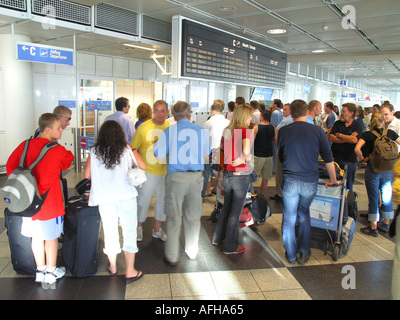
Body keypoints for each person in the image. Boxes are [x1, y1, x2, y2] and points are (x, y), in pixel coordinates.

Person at [6, 113, 74, 284]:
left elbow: (10, 166)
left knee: (36, 237)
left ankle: (40, 270)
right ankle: (51, 272)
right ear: (47, 129)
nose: (61, 130)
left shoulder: (25, 144)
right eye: (58, 127)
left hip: (28, 202)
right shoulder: (57, 149)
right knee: (51, 237)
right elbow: (68, 161)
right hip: (49, 202)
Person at [84, 120, 146, 283]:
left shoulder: (94, 151)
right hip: (126, 195)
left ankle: (113, 267)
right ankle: (131, 270)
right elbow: (143, 166)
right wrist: (132, 148)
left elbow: (86, 175)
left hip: (105, 198)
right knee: (129, 232)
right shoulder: (126, 149)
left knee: (110, 231)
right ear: (120, 134)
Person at [278, 100, 338, 264]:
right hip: (310, 181)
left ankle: (290, 255)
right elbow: (328, 157)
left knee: (289, 219)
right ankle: (304, 251)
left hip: (290, 179)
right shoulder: (317, 131)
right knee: (303, 214)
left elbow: (281, 156)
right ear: (307, 112)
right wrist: (333, 179)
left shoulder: (284, 131)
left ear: (291, 114)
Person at [154, 101, 210, 265]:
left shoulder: (168, 131)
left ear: (173, 115)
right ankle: (192, 251)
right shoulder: (201, 131)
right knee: (193, 216)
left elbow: (157, 155)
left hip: (175, 179)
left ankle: (172, 256)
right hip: (195, 178)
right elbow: (207, 154)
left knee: (173, 217)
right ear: (190, 114)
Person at [212, 105, 254, 254]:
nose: (251, 118)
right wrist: (244, 157)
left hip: (228, 174)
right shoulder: (245, 131)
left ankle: (217, 238)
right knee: (235, 212)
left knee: (226, 208)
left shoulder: (227, 131)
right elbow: (246, 150)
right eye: (249, 116)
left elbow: (222, 148)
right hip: (240, 176)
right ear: (244, 116)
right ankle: (230, 246)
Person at [354, 112, 400, 237]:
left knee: (374, 198)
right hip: (388, 170)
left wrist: (363, 159)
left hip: (373, 170)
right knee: (387, 197)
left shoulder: (367, 135)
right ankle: (386, 223)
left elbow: (356, 149)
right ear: (383, 121)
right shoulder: (390, 133)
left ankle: (373, 227)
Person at [131, 100, 170, 242]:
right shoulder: (143, 128)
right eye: (157, 110)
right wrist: (137, 167)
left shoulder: (170, 127)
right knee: (142, 201)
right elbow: (132, 148)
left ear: (167, 111)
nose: (159, 114)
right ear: (153, 111)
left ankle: (157, 229)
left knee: (162, 203)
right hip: (147, 172)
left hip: (164, 172)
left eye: (162, 111)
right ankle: (138, 228)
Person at [329, 103, 363, 191]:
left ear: (351, 113)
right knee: (335, 184)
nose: (341, 113)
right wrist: (348, 137)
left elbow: (354, 140)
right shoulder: (338, 124)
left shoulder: (357, 125)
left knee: (348, 185)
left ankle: (347, 203)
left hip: (350, 160)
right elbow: (331, 137)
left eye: (344, 111)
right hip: (336, 159)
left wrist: (339, 135)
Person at [202, 99, 230, 199]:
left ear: (212, 109)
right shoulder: (228, 122)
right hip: (224, 151)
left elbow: (204, 139)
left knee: (207, 174)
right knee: (222, 173)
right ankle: (221, 195)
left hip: (211, 151)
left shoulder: (208, 123)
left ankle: (203, 194)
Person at [270, 103, 292, 202]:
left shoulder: (286, 120)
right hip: (292, 151)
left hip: (283, 147)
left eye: (286, 110)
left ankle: (279, 194)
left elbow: (276, 131)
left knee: (280, 172)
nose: (284, 112)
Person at [253, 110, 276, 196]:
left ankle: (250, 192)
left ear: (261, 117)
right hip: (269, 155)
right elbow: (275, 140)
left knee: (252, 176)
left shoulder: (256, 127)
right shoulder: (273, 128)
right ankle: (261, 194)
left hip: (258, 155)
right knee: (265, 178)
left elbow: (251, 141)